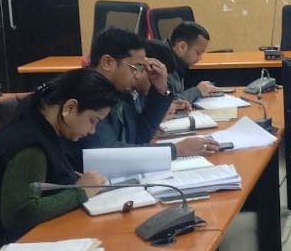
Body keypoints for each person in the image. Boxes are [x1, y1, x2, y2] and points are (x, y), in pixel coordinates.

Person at [0, 69, 122, 251]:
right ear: (70, 108)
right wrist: (80, 192)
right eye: (93, 121)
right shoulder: (31, 147)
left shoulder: (35, 122)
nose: (93, 130)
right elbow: (20, 213)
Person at [81, 28, 218, 158]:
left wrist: (160, 90)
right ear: (108, 63)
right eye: (136, 67)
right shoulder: (86, 95)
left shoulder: (122, 92)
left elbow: (140, 136)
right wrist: (176, 150)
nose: (137, 75)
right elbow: (107, 153)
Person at [167, 21, 221, 103]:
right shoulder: (162, 63)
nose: (200, 58)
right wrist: (197, 91)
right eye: (198, 52)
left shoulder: (178, 62)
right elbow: (168, 103)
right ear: (182, 47)